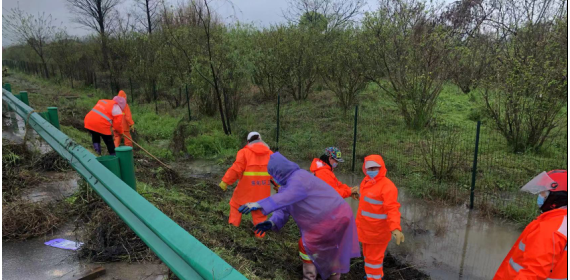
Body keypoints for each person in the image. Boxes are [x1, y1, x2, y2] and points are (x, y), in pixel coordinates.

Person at [239, 152, 360, 280]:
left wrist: (258, 204)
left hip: (332, 217)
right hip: (332, 218)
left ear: (279, 172)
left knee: (308, 244)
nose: (273, 181)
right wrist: (272, 222)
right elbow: (283, 209)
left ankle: (311, 276)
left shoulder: (299, 177)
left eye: (273, 177)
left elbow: (286, 197)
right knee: (326, 248)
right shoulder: (289, 186)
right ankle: (323, 273)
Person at [493, 170, 567, 280]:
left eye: (543, 193)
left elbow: (532, 275)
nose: (540, 196)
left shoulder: (548, 229)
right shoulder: (562, 223)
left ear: (557, 198)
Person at [355, 155, 404, 280]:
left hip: (377, 233)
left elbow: (392, 209)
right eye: (369, 168)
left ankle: (374, 278)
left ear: (381, 167)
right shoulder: (366, 182)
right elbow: (371, 204)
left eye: (375, 168)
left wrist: (395, 228)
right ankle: (370, 276)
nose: (372, 171)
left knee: (374, 260)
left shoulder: (387, 187)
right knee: (368, 257)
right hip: (365, 231)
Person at [218, 132, 273, 238]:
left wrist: (225, 182)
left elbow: (236, 169)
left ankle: (233, 228)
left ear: (248, 142)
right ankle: (260, 237)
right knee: (260, 214)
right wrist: (278, 185)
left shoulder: (244, 152)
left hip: (245, 192)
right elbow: (275, 173)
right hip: (262, 194)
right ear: (260, 140)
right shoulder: (270, 154)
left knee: (235, 205)